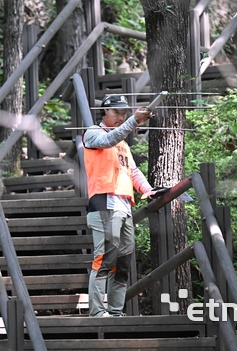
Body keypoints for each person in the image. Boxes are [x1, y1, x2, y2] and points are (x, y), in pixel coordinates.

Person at [83, 94, 155, 317]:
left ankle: (115, 310)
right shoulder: (93, 134)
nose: (121, 117)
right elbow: (107, 140)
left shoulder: (122, 143)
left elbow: (132, 171)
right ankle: (97, 311)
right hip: (104, 203)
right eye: (117, 112)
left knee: (123, 262)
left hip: (124, 205)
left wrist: (147, 189)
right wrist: (133, 121)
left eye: (124, 113)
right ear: (104, 112)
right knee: (105, 257)